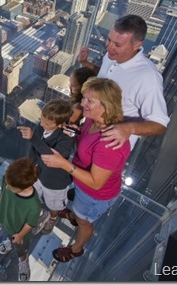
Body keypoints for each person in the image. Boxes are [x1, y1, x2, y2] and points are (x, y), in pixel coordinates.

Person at [41, 77, 131, 262]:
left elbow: (96, 183)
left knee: (85, 222)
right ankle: (74, 215)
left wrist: (63, 164)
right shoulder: (93, 121)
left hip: (94, 195)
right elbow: (85, 141)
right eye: (83, 98)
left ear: (106, 106)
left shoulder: (109, 144)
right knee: (79, 212)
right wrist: (76, 131)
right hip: (82, 185)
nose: (82, 103)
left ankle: (76, 249)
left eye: (89, 101)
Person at [78, 14, 169, 149]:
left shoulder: (148, 78)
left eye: (117, 44)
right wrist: (86, 63)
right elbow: (106, 77)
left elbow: (160, 124)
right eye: (109, 40)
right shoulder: (111, 56)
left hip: (111, 146)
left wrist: (128, 129)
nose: (109, 47)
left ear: (136, 45)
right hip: (91, 128)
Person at [17, 99, 74, 236]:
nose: (42, 124)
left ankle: (53, 217)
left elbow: (52, 158)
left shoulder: (66, 139)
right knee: (36, 196)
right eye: (42, 120)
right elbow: (34, 149)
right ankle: (42, 213)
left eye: (47, 123)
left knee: (54, 205)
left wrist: (33, 138)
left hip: (55, 183)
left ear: (61, 124)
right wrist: (29, 165)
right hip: (39, 174)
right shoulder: (41, 127)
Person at [0, 157, 42, 281]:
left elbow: (30, 223)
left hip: (19, 230)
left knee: (20, 247)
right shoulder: (9, 180)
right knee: (10, 235)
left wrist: (21, 235)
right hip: (6, 219)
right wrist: (0, 206)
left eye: (11, 187)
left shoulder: (33, 204)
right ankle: (11, 241)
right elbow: (3, 192)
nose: (7, 187)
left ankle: (23, 260)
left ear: (24, 187)